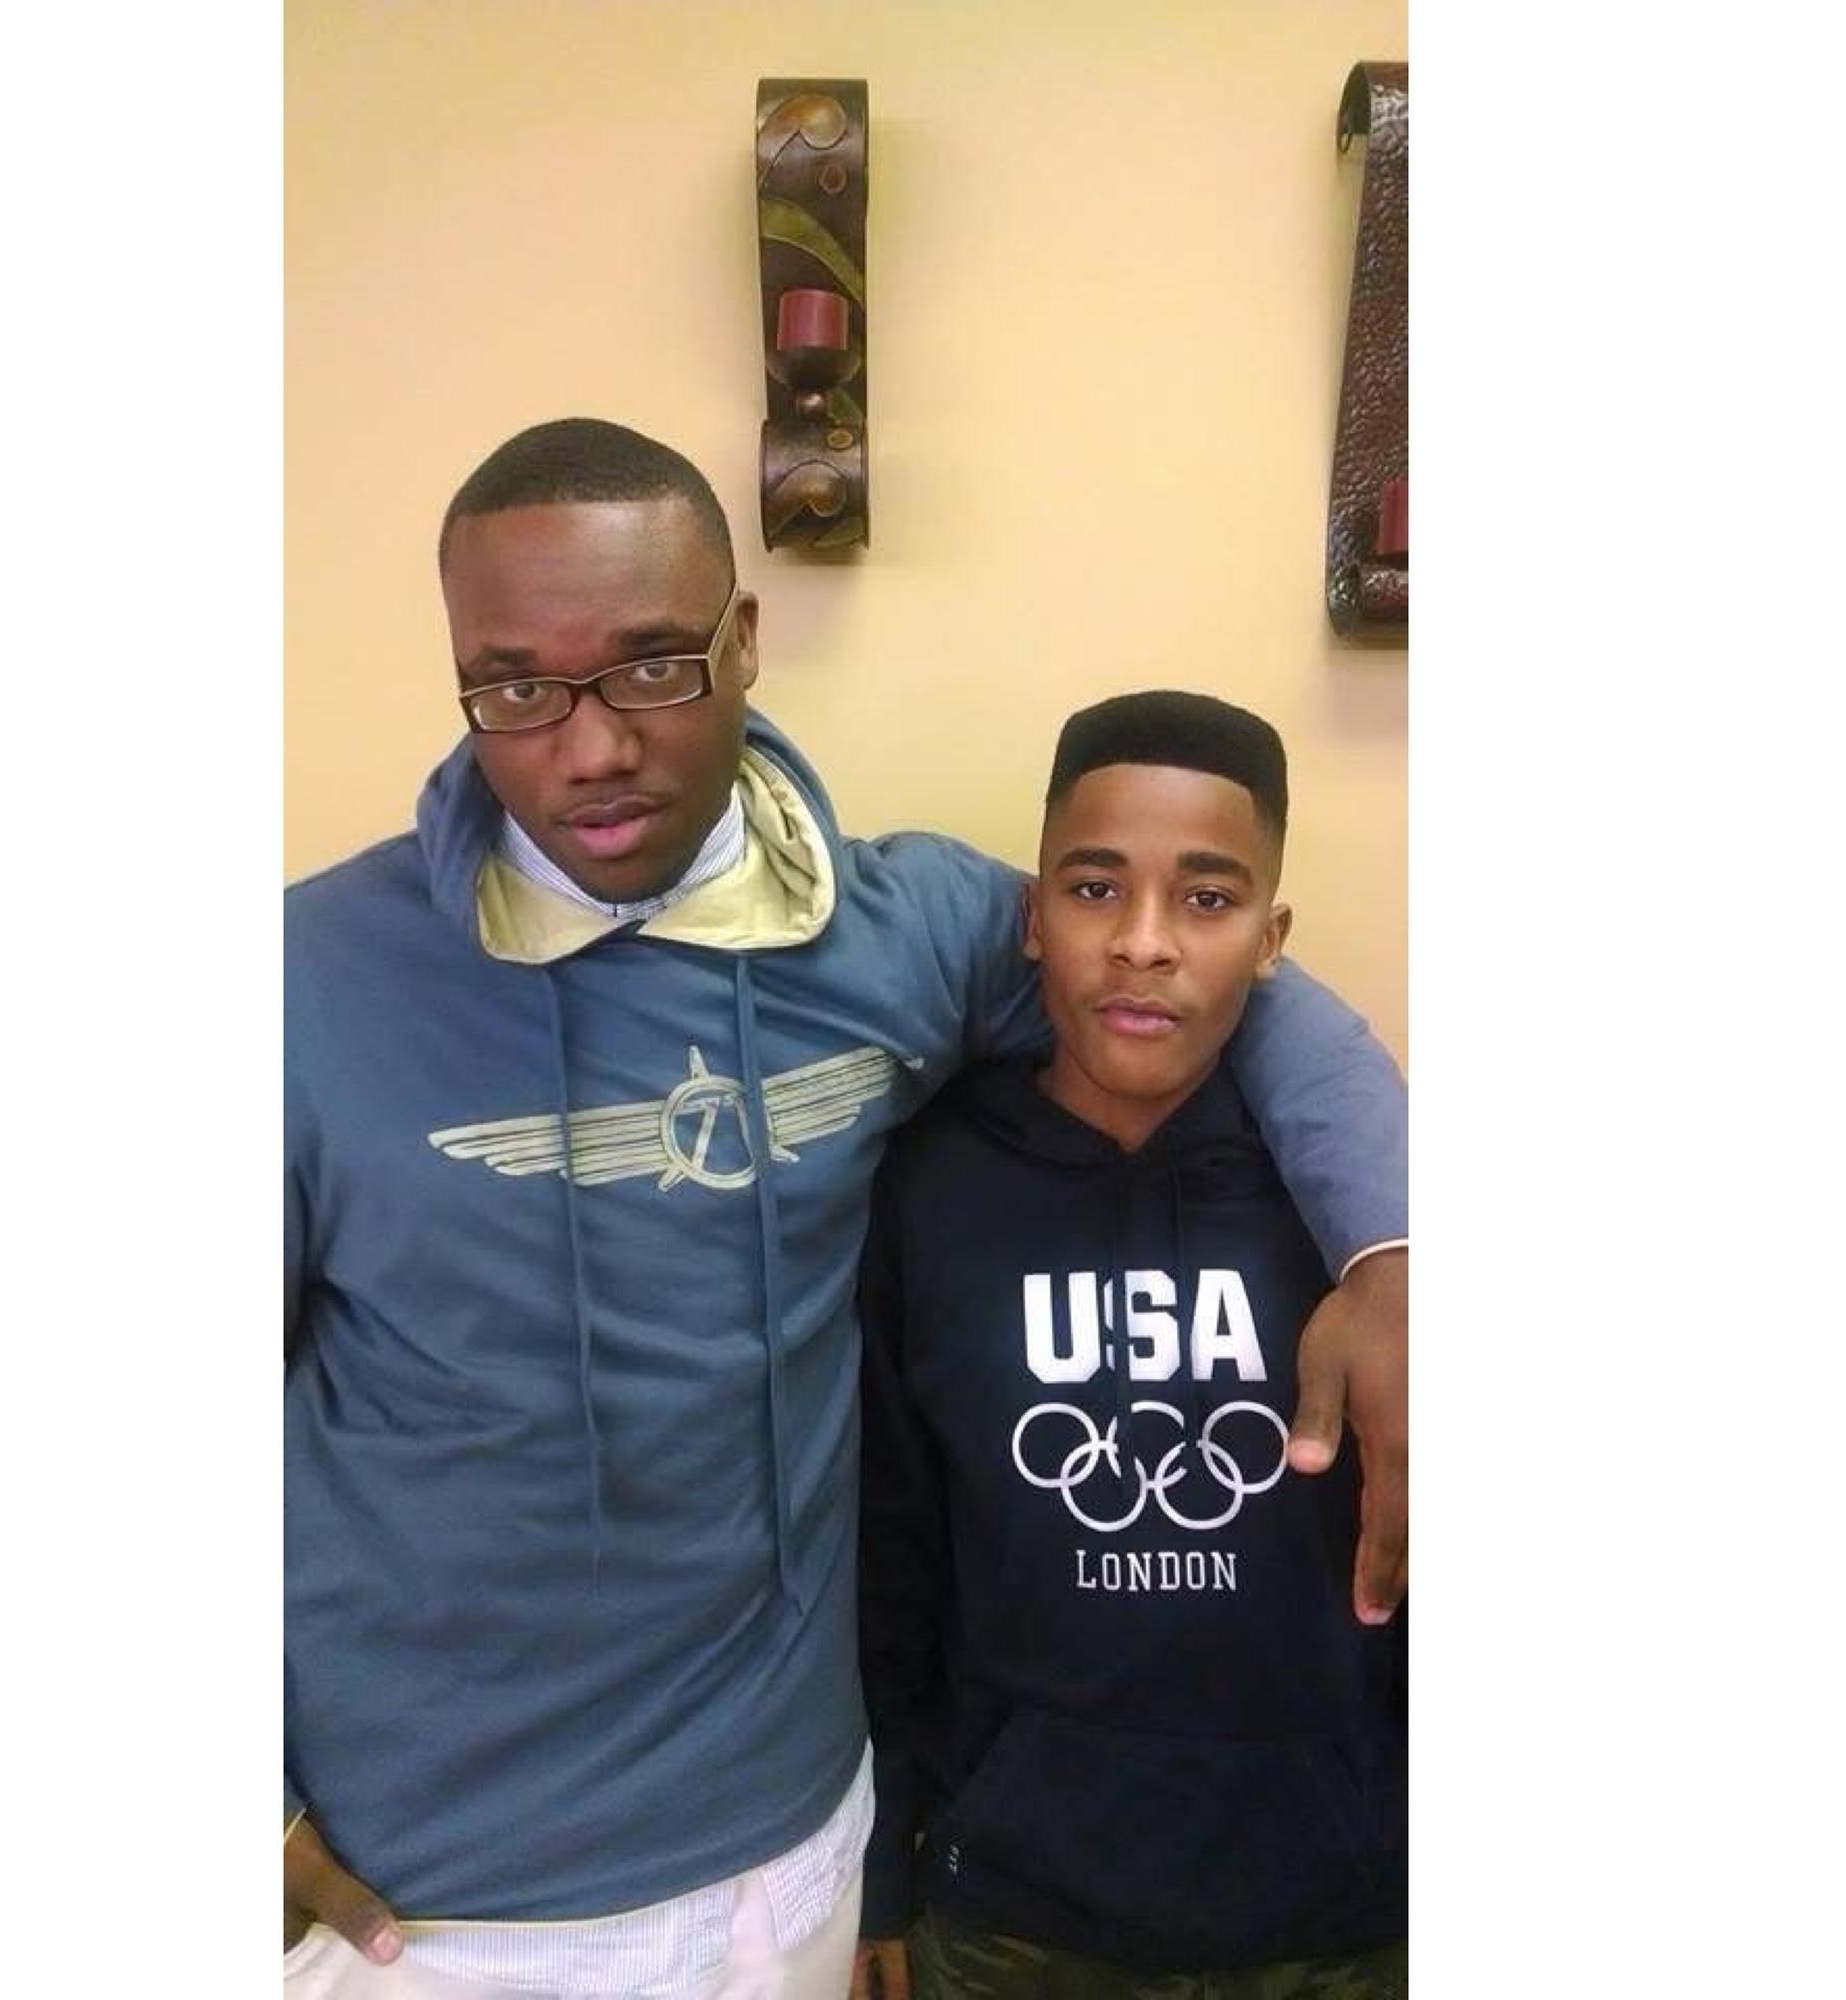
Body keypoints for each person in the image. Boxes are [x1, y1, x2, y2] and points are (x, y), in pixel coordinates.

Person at [285, 422, 1409, 1999]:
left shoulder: (908, 933)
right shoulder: (304, 984)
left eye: (651, 667)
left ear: (744, 641)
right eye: (515, 688)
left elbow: (1210, 994)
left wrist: (1396, 1249)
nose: (587, 747)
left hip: (797, 1858)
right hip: (437, 1912)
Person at [852, 691, 1406, 2000]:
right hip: (1017, 1911)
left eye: (1207, 901)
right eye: (1096, 888)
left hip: (1341, 1908)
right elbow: (890, 1554)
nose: (1144, 943)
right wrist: (884, 1871)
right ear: (1032, 916)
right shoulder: (928, 1187)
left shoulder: (1360, 1221)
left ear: (1271, 941)